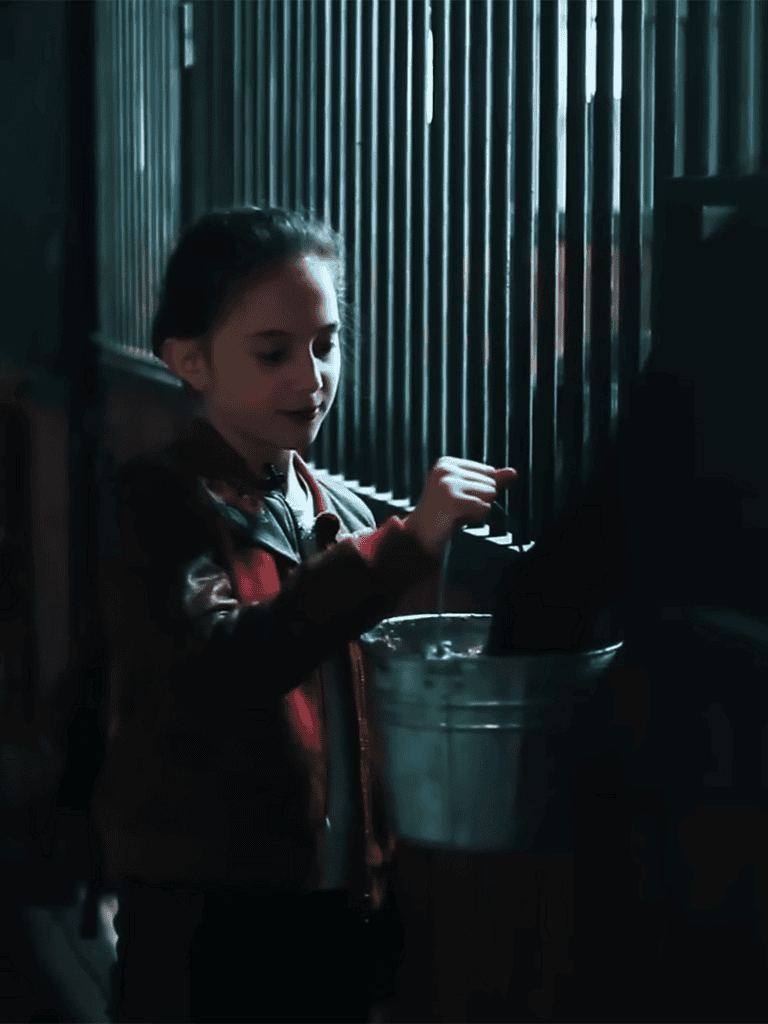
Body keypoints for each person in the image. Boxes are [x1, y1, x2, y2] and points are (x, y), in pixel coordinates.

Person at [93, 205, 518, 1023]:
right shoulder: (158, 504)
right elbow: (224, 666)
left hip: (338, 902)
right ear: (188, 360)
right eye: (272, 352)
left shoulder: (335, 508)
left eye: (325, 344)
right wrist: (406, 543)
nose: (311, 376)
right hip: (208, 920)